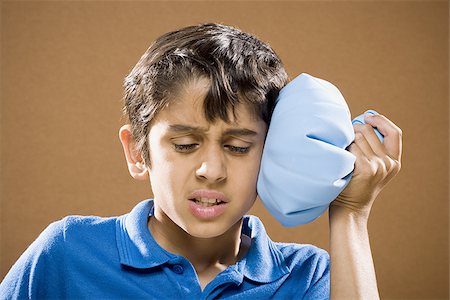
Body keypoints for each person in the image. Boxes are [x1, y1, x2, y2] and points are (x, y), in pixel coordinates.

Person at [0, 23, 402, 299]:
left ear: (273, 153)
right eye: (186, 145)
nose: (212, 170)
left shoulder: (307, 276)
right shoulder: (68, 254)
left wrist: (350, 213)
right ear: (138, 152)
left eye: (238, 147)